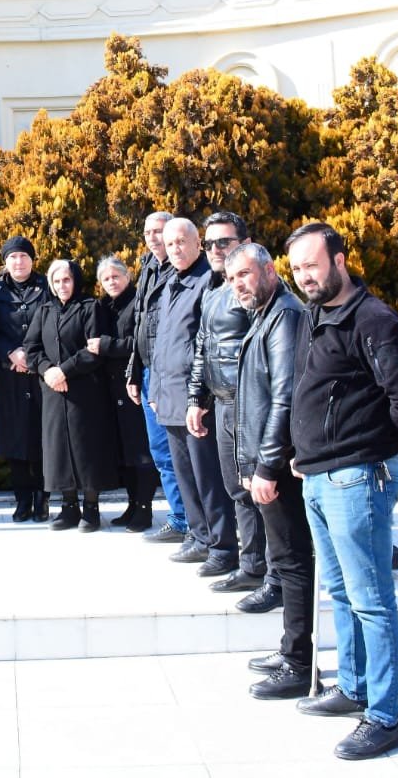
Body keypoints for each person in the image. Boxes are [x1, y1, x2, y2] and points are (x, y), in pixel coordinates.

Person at [286, 222, 398, 760]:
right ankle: (353, 685)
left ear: (340, 261)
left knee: (372, 600)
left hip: (356, 477)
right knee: (343, 593)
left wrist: (369, 448)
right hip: (319, 477)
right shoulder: (314, 315)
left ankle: (385, 716)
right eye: (297, 269)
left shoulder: (373, 320)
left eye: (313, 266)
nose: (305, 277)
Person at [218, 244, 316, 703]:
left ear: (270, 271)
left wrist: (266, 465)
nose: (238, 283)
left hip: (278, 466)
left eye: (245, 274)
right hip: (265, 460)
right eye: (232, 277)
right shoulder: (265, 313)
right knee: (286, 560)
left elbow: (283, 396)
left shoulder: (286, 316)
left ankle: (298, 664)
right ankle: (290, 651)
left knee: (293, 563)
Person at [186, 214, 275, 606]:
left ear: (246, 242)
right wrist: (195, 398)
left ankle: (277, 574)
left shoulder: (261, 290)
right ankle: (252, 565)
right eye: (210, 244)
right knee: (236, 490)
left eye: (225, 242)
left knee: (263, 492)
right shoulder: (213, 291)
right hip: (222, 405)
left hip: (252, 405)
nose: (217, 250)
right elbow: (203, 345)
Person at [151, 219, 238, 577]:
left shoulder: (208, 281)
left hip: (196, 399)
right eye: (170, 244)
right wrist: (155, 388)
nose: (175, 249)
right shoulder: (172, 281)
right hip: (169, 396)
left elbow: (205, 345)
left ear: (197, 243)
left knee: (208, 478)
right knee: (185, 476)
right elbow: (162, 342)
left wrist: (199, 397)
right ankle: (199, 536)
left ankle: (222, 545)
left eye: (182, 242)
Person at [24, 259, 117, 531]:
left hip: (85, 390)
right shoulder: (44, 310)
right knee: (59, 450)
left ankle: (91, 507)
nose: (62, 285)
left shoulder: (90, 307)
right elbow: (31, 348)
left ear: (75, 281)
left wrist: (64, 371)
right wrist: (48, 372)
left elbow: (94, 349)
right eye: (56, 281)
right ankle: (68, 507)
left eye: (66, 280)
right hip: (53, 391)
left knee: (86, 448)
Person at [125, 211, 188, 542]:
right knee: (162, 452)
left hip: (174, 375)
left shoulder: (184, 271)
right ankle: (180, 518)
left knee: (183, 453)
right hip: (150, 372)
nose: (152, 237)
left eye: (159, 231)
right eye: (148, 231)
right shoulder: (148, 267)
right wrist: (133, 371)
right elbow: (140, 325)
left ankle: (196, 521)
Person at [0, 236, 50, 522]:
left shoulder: (47, 287)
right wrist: (10, 352)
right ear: (5, 262)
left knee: (43, 437)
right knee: (15, 438)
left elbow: (55, 326)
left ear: (33, 260)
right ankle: (22, 499)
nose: (18, 262)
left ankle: (42, 498)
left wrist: (33, 357)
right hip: (9, 374)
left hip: (42, 374)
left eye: (23, 256)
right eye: (12, 257)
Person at [88, 255, 156, 532]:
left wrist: (107, 345)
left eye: (116, 276)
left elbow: (139, 342)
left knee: (141, 450)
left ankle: (144, 508)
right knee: (125, 452)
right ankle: (131, 503)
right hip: (111, 388)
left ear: (128, 276)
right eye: (105, 278)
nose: (111, 282)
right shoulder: (103, 306)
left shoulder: (138, 302)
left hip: (134, 385)